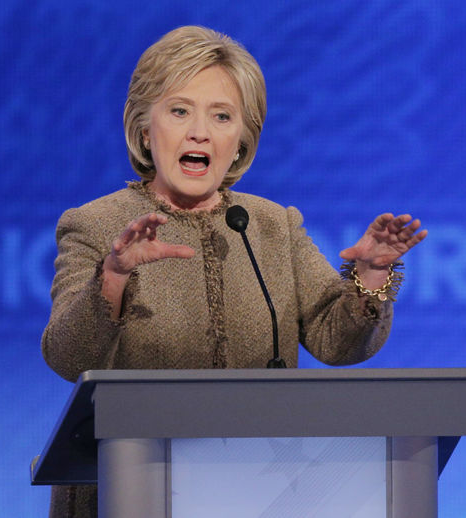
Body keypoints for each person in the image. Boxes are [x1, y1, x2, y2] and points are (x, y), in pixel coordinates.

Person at [41, 25, 427, 518]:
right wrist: (113, 276)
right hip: (129, 490)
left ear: (241, 140)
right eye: (179, 111)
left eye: (221, 116)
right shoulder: (95, 225)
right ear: (144, 128)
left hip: (260, 489)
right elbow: (66, 356)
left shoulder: (271, 225)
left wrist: (371, 276)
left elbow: (338, 342)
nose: (199, 131)